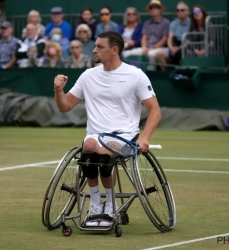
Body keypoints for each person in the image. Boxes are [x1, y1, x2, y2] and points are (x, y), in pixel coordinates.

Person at [53, 31, 161, 227]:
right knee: (89, 146)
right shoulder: (88, 75)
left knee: (103, 151)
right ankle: (95, 204)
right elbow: (65, 106)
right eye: (95, 46)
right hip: (95, 134)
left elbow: (155, 111)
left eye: (100, 47)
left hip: (125, 135)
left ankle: (110, 205)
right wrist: (58, 91)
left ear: (114, 50)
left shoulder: (135, 75)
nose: (94, 50)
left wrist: (144, 137)